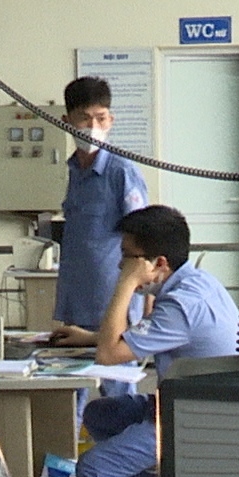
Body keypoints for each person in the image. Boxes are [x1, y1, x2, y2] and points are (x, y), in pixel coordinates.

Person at [50, 205, 239, 477]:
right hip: (194, 405)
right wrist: (89, 337)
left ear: (158, 263)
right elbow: (135, 337)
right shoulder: (196, 284)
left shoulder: (183, 305)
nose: (121, 264)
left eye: (127, 257)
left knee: (95, 470)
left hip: (200, 422)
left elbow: (110, 355)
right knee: (102, 414)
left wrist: (124, 284)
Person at [55, 77, 150, 331]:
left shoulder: (122, 171)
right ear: (66, 122)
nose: (93, 126)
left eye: (100, 117)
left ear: (110, 120)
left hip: (113, 302)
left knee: (114, 368)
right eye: (84, 118)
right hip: (77, 302)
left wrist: (149, 309)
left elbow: (147, 240)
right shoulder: (74, 170)